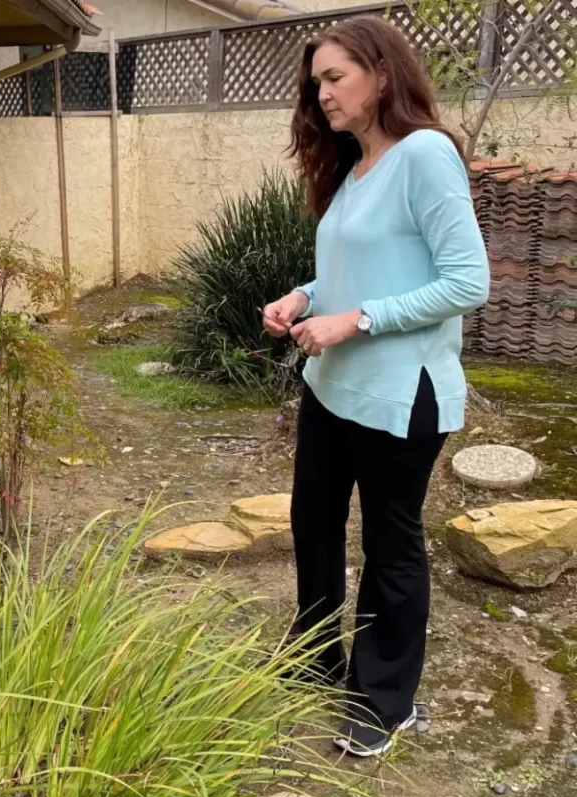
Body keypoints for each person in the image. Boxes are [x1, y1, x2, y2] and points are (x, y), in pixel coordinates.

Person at [262, 17, 489, 757]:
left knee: (392, 548)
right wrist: (304, 297)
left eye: (336, 78)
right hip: (332, 386)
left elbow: (467, 281)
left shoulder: (425, 155)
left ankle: (382, 701)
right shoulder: (355, 167)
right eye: (316, 81)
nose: (321, 94)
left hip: (401, 393)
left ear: (382, 75)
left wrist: (355, 320)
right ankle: (316, 657)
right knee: (314, 525)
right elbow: (358, 273)